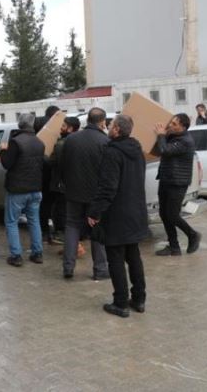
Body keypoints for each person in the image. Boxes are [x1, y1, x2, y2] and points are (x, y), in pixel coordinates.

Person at [87, 114, 148, 318]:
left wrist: (94, 212)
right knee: (134, 256)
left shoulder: (113, 153)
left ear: (117, 131)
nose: (108, 127)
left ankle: (120, 302)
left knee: (116, 258)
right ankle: (139, 299)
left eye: (111, 125)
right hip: (135, 211)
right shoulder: (137, 150)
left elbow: (107, 188)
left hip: (117, 214)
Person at [60, 107, 110, 280]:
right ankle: (101, 269)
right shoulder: (105, 141)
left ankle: (68, 267)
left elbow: (63, 164)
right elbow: (107, 172)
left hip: (73, 192)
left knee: (72, 226)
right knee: (97, 228)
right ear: (102, 122)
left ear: (87, 119)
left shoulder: (71, 139)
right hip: (95, 195)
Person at [0, 113, 45, 267]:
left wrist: (2, 151)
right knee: (34, 220)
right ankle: (37, 253)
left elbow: (7, 164)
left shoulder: (15, 142)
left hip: (17, 189)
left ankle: (16, 255)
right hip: (35, 188)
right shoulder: (40, 142)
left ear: (20, 124)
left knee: (11, 222)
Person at [151, 113, 202, 256]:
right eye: (171, 122)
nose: (170, 125)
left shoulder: (186, 141)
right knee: (164, 214)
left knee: (172, 215)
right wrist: (162, 135)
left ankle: (193, 235)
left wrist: (161, 135)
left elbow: (164, 151)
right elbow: (157, 151)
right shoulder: (172, 137)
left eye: (174, 124)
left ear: (183, 127)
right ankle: (174, 247)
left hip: (177, 183)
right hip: (166, 179)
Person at [49, 116, 81, 247]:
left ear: (70, 128)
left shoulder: (62, 143)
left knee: (61, 210)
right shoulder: (80, 141)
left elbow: (55, 162)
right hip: (75, 183)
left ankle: (62, 235)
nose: (61, 128)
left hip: (61, 183)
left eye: (63, 126)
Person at [35, 105, 61, 243]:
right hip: (52, 174)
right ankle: (52, 231)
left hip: (40, 173)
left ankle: (44, 231)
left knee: (42, 205)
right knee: (51, 204)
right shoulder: (54, 129)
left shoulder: (38, 126)